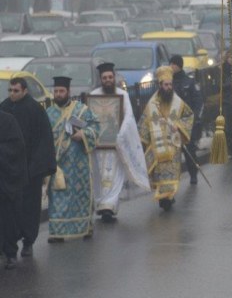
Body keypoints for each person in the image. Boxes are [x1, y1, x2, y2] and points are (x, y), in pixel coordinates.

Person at [0, 77, 56, 260]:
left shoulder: (35, 110)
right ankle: (9, 242)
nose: (12, 94)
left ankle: (28, 241)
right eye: (10, 90)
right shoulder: (4, 108)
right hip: (9, 171)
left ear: (24, 91)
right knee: (10, 210)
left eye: (16, 91)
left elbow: (44, 141)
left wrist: (36, 167)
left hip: (30, 170)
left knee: (30, 208)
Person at [90, 63, 150, 222]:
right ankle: (102, 204)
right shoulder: (94, 95)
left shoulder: (122, 95)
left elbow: (129, 117)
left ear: (114, 78)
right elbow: (90, 118)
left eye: (110, 77)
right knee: (100, 176)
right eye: (105, 78)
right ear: (101, 79)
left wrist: (120, 135)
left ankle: (109, 206)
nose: (108, 80)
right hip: (99, 146)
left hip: (116, 143)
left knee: (114, 174)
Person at [46, 76, 99, 242]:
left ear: (68, 92)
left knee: (79, 196)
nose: (58, 94)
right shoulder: (48, 114)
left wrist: (83, 134)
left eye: (62, 91)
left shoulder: (81, 110)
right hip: (58, 164)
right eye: (56, 91)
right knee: (57, 196)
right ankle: (57, 232)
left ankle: (84, 226)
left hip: (78, 162)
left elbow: (95, 127)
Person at [138, 66, 194, 211]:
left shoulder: (178, 102)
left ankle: (168, 197)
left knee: (171, 173)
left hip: (173, 144)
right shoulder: (152, 104)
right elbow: (143, 123)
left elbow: (189, 115)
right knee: (160, 175)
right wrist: (144, 140)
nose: (169, 87)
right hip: (157, 146)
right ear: (160, 85)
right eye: (166, 85)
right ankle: (165, 198)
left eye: (170, 85)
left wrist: (179, 126)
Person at [170, 55, 203, 185]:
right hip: (172, 124)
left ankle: (193, 174)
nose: (171, 66)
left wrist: (195, 119)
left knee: (189, 151)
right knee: (173, 153)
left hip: (187, 123)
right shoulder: (168, 83)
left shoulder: (189, 82)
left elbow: (197, 101)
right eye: (170, 64)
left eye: (173, 64)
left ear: (179, 65)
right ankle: (172, 179)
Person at [0, 111, 27, 269]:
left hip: (5, 180)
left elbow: (16, 147)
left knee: (8, 219)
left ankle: (10, 253)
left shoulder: (7, 120)